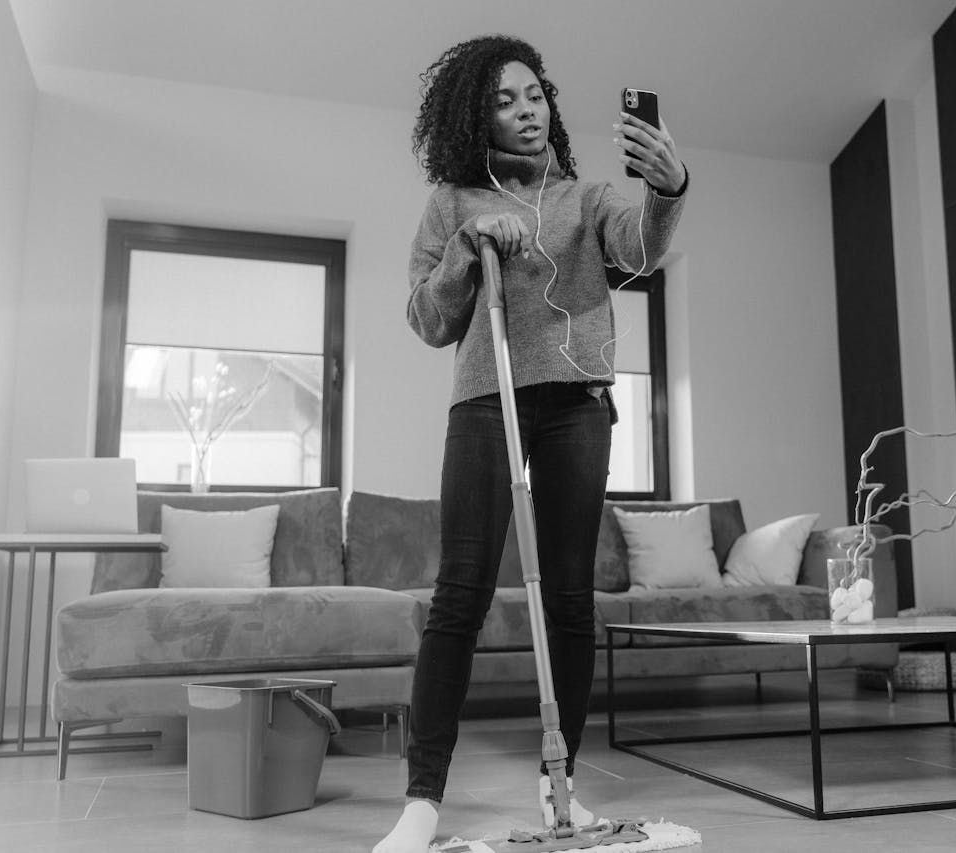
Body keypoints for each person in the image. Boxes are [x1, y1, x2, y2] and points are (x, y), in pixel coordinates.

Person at [373, 34, 687, 853]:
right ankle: (421, 802)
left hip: (578, 405)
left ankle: (562, 788)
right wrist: (469, 249)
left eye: (534, 96)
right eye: (504, 101)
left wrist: (667, 185)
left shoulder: (586, 200)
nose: (525, 112)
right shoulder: (453, 200)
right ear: (476, 117)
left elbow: (643, 249)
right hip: (487, 399)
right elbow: (428, 318)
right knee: (461, 592)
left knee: (569, 599)